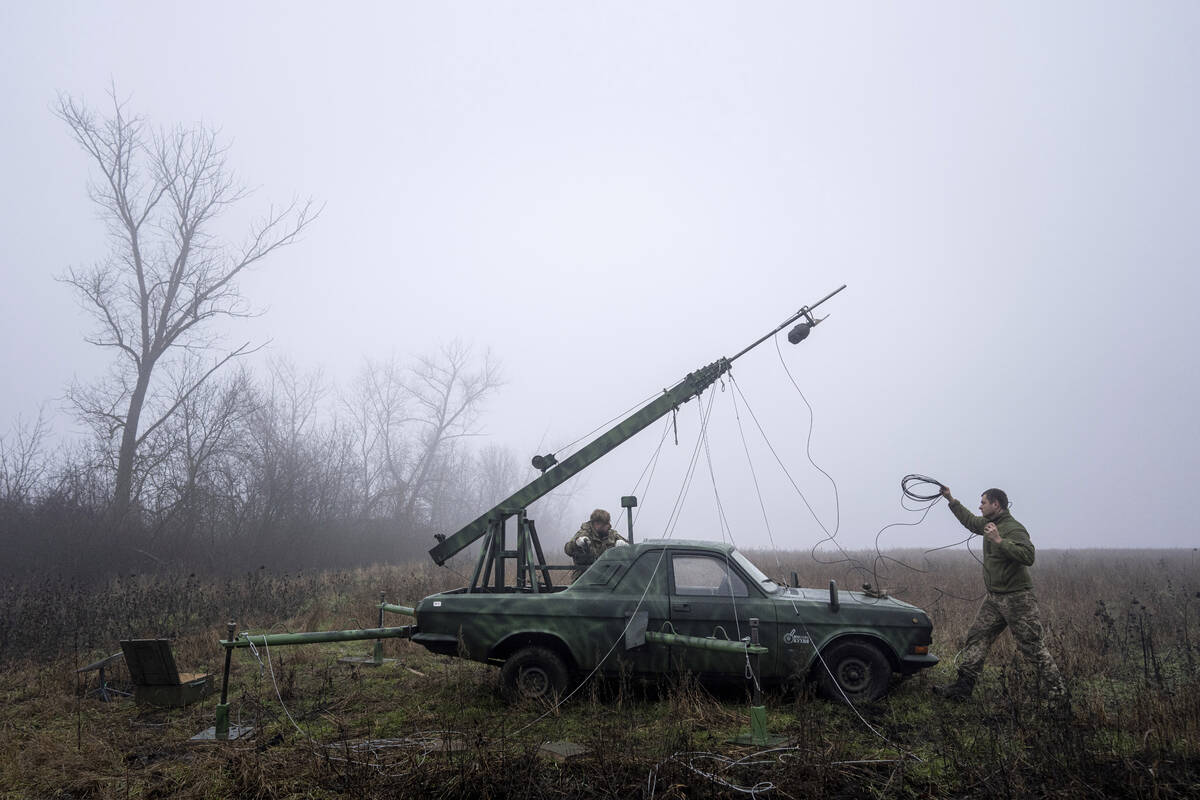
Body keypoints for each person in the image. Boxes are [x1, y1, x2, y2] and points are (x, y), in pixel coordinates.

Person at [932, 485, 1068, 705]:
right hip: (994, 599)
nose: (980, 506)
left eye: (983, 502)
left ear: (996, 504)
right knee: (977, 637)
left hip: (1018, 599)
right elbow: (970, 521)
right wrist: (950, 499)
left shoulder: (1014, 528)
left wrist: (999, 541)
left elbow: (1028, 556)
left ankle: (1058, 695)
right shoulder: (988, 524)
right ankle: (962, 688)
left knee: (1031, 646)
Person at [564, 508, 623, 581]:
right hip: (584, 579)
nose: (609, 526)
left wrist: (624, 546)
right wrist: (577, 543)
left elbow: (630, 547)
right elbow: (568, 550)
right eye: (606, 524)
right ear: (597, 524)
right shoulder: (584, 534)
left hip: (608, 579)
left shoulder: (611, 534)